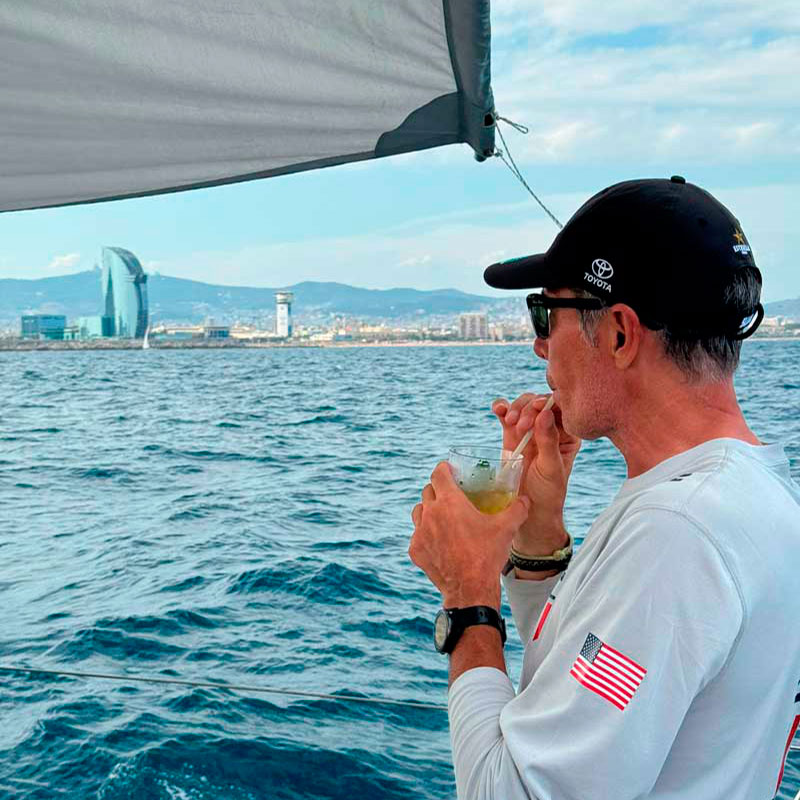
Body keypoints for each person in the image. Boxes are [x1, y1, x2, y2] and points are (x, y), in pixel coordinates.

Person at [409, 176, 800, 799]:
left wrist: (467, 594)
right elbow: (599, 675)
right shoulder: (744, 496)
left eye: (546, 313)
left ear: (619, 333)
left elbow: (508, 794)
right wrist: (537, 542)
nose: (539, 346)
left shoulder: (678, 533)